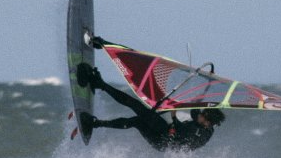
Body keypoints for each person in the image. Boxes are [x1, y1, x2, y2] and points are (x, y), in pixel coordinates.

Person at [79, 64, 223, 151]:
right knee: (136, 121)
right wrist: (206, 85)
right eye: (203, 113)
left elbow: (179, 129)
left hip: (164, 140)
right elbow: (195, 109)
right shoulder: (203, 123)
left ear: (208, 122)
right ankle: (95, 123)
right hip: (165, 136)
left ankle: (100, 85)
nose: (200, 115)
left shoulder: (199, 133)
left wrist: (173, 114)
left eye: (203, 116)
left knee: (135, 106)